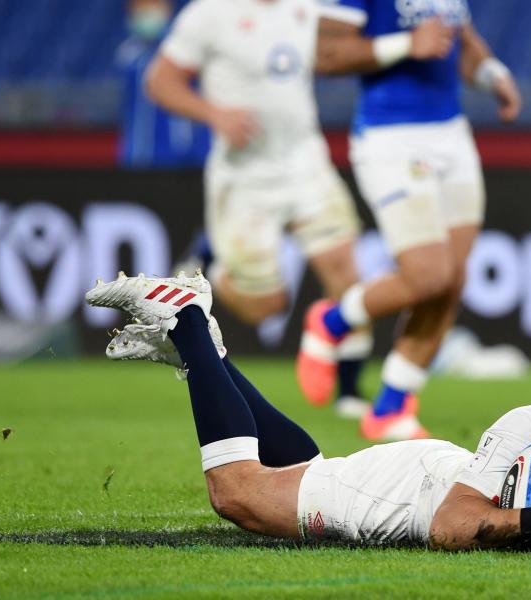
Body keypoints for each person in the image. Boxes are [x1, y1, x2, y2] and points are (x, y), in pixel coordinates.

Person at [85, 272, 531, 561]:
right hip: (411, 495)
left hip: (428, 479)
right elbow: (447, 527)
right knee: (240, 496)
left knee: (300, 466)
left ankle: (207, 354)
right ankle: (187, 325)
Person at [295, 0, 522, 441]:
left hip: (451, 136)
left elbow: (462, 36)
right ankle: (333, 321)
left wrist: (493, 75)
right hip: (390, 139)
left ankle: (391, 405)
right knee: (428, 274)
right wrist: (405, 44)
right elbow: (323, 55)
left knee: (452, 279)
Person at [143, 0, 372, 416]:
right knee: (267, 306)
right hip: (244, 176)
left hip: (306, 161)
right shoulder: (208, 13)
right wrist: (212, 113)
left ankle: (351, 392)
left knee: (346, 272)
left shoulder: (307, 7)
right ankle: (211, 265)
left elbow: (359, 31)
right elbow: (160, 81)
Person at [116, 0, 211, 168]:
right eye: (140, 6)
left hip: (183, 155)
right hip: (138, 156)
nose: (147, 11)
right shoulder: (128, 53)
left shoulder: (184, 50)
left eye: (152, 5)